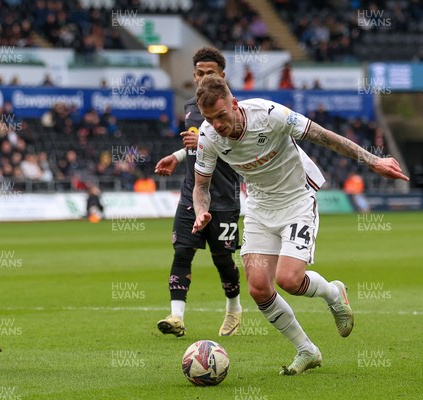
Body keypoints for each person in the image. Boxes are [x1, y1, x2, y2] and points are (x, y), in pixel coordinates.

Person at [192, 75, 408, 375]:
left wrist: (373, 161)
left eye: (220, 116)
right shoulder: (208, 137)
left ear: (234, 104)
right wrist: (201, 210)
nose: (216, 125)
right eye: (208, 119)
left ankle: (334, 294)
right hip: (258, 208)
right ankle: (307, 350)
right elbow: (200, 185)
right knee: (258, 288)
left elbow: (325, 137)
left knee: (290, 280)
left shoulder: (270, 115)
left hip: (296, 201)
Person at [154, 47, 242, 338]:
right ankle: (176, 316)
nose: (204, 77)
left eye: (210, 73)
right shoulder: (191, 105)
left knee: (223, 260)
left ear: (222, 76)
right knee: (182, 251)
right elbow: (197, 144)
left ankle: (233, 308)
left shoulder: (234, 107)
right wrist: (178, 156)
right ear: (194, 76)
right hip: (193, 192)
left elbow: (236, 146)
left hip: (224, 196)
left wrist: (203, 140)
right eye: (200, 73)